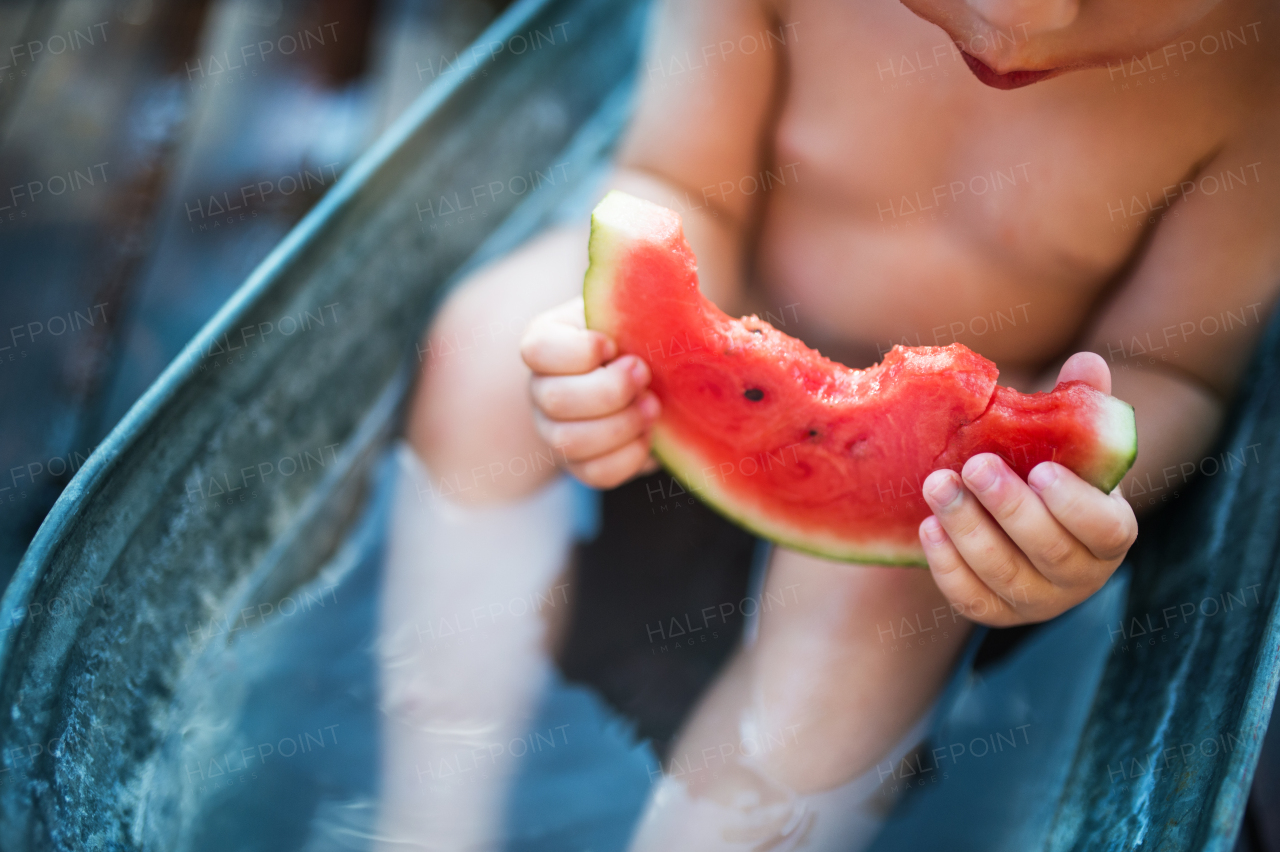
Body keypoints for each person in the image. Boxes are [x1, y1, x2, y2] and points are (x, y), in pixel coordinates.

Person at [405, 0, 1280, 846]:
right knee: (486, 349)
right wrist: (600, 363)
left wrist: (1063, 517)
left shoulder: (1257, 75)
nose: (1021, 16)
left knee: (877, 587)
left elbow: (1174, 368)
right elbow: (677, 187)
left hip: (948, 486)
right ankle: (430, 812)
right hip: (721, 322)